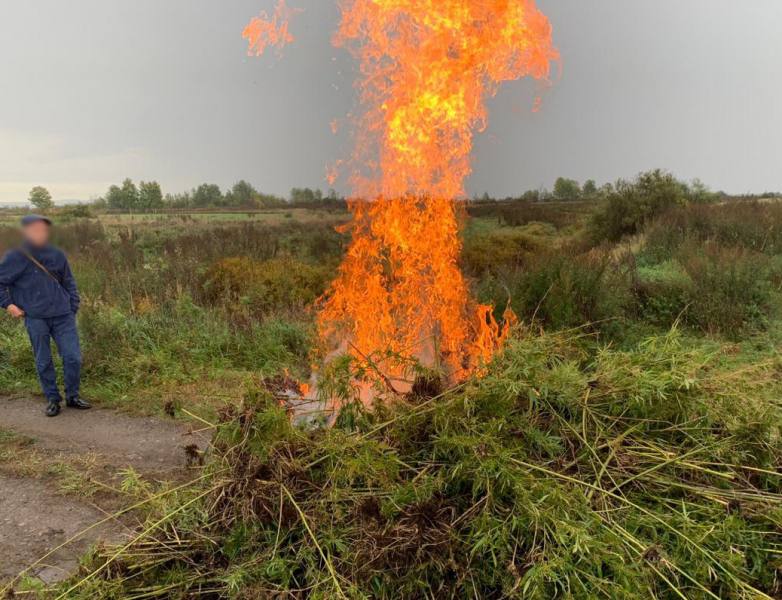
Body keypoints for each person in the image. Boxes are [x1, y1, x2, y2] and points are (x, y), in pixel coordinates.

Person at [0, 215, 90, 417]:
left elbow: (69, 282)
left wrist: (72, 306)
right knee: (43, 360)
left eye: (43, 229)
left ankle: (72, 396)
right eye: (36, 229)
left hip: (63, 316)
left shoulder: (56, 254)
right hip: (35, 317)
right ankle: (52, 399)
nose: (41, 232)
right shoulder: (15, 256)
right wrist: (8, 305)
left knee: (73, 357)